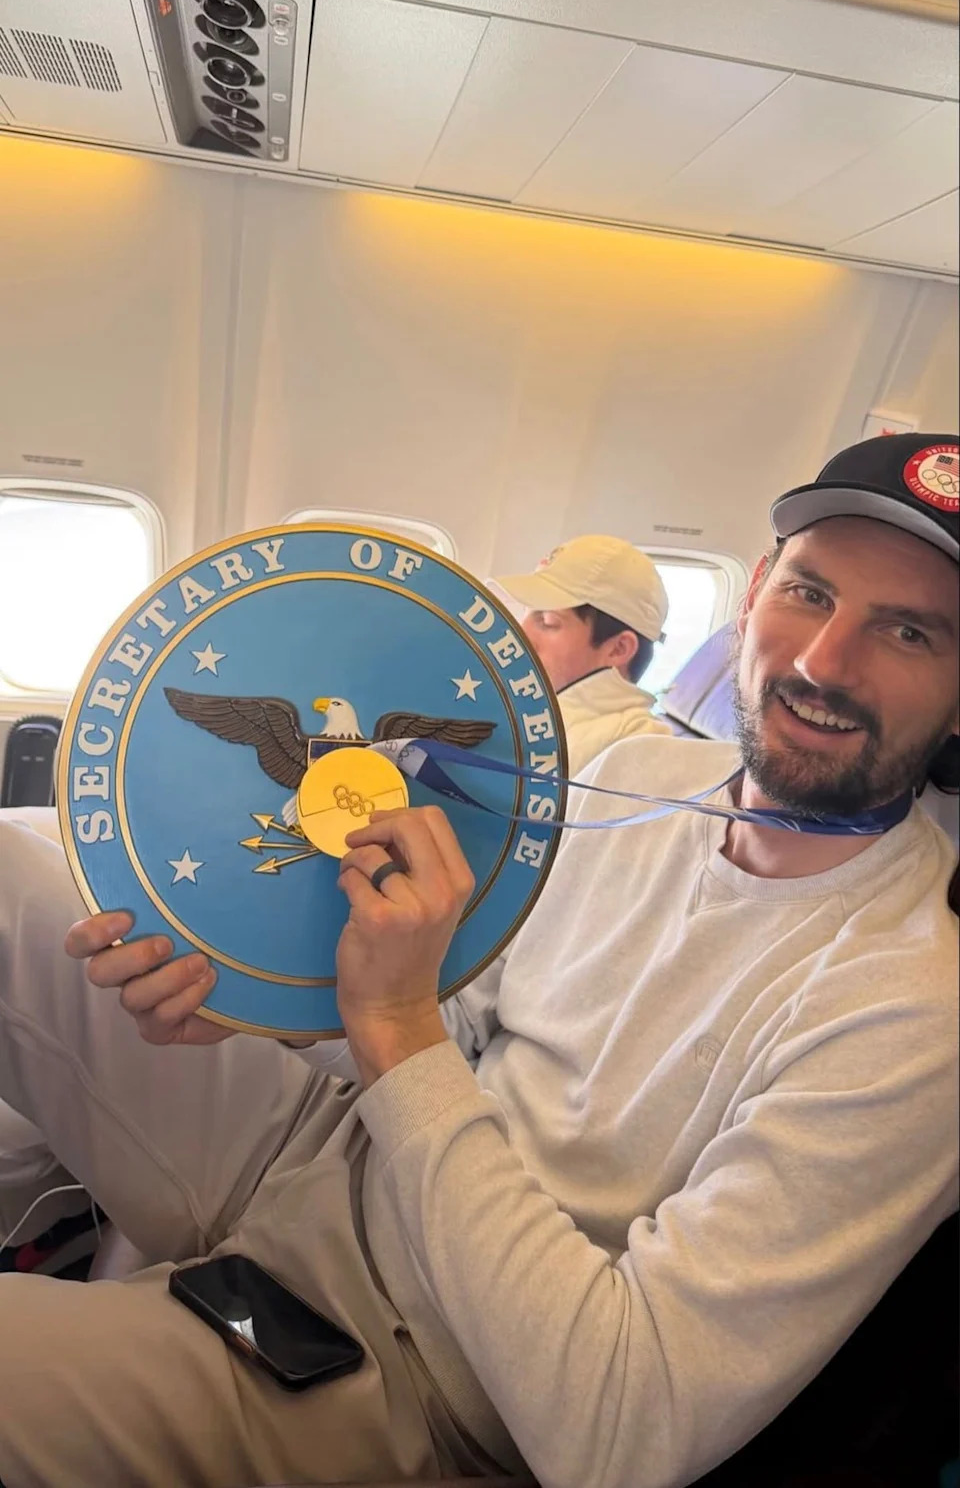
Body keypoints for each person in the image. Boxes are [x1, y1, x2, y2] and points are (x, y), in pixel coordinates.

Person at [0, 433, 958, 1488]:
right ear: (751, 604)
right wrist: (246, 1005)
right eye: (810, 594)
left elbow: (623, 1429)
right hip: (326, 1162)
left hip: (406, 1367)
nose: (825, 662)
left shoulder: (913, 1008)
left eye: (908, 632)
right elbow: (455, 1026)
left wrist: (396, 1031)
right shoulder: (643, 777)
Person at [497, 534, 671, 774]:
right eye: (527, 613)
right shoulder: (534, 715)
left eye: (548, 622)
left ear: (618, 649)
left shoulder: (642, 752)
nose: (520, 635)